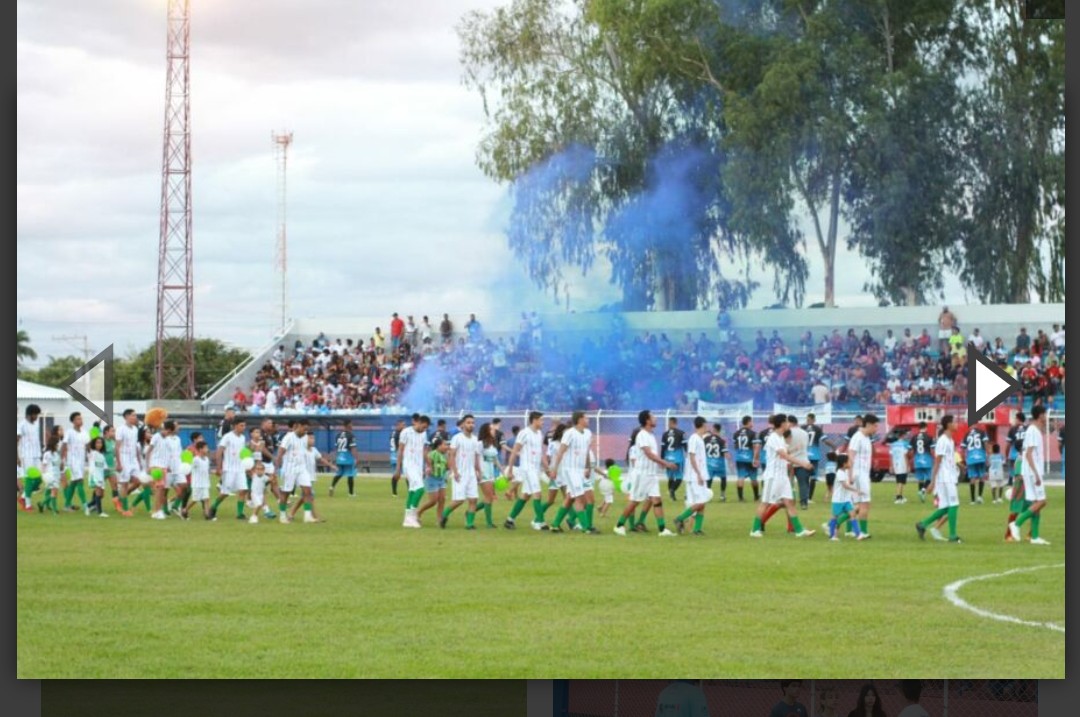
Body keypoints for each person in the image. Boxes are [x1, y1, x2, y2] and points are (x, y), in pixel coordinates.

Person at [750, 414, 816, 538]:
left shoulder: (780, 438)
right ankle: (754, 530)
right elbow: (784, 455)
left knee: (789, 502)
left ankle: (799, 530)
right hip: (773, 476)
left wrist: (796, 448)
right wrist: (803, 463)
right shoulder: (773, 437)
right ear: (782, 424)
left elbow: (786, 452)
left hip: (782, 477)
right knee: (765, 503)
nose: (788, 424)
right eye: (786, 422)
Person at [614, 410, 677, 537]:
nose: (655, 418)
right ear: (647, 420)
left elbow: (653, 455)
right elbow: (648, 454)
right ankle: (619, 525)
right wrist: (665, 463)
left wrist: (659, 463)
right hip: (642, 474)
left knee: (657, 500)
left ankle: (662, 530)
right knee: (635, 501)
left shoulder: (651, 435)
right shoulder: (642, 435)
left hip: (651, 474)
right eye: (653, 417)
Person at [916, 414, 963, 543]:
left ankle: (922, 524)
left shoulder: (950, 440)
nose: (957, 424)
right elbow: (937, 461)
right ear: (948, 424)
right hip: (945, 477)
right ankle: (953, 535)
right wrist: (932, 481)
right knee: (954, 504)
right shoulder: (943, 441)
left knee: (946, 507)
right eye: (954, 422)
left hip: (948, 476)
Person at [548, 411, 597, 534]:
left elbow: (586, 452)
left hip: (581, 471)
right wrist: (554, 470)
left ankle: (555, 524)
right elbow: (560, 452)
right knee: (580, 499)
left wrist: (587, 467)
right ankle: (586, 528)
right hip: (570, 471)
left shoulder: (588, 433)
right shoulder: (569, 433)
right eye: (586, 418)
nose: (588, 420)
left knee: (583, 498)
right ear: (579, 419)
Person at [1009, 404, 1051, 545]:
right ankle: (1017, 523)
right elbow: (1028, 454)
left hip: (1031, 471)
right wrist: (1036, 474)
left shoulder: (1035, 430)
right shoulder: (1033, 430)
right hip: (1033, 472)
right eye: (1045, 414)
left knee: (1036, 503)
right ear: (1040, 415)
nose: (1046, 417)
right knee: (1042, 501)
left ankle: (1035, 536)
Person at [504, 411, 550, 531]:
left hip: (535, 469)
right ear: (534, 420)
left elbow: (540, 453)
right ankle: (540, 522)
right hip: (527, 468)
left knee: (525, 495)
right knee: (537, 494)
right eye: (541, 420)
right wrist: (510, 469)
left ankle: (509, 520)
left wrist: (546, 468)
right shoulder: (524, 433)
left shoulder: (539, 433)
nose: (543, 422)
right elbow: (514, 451)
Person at [441, 415, 482, 529]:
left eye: (472, 423)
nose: (471, 425)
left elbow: (476, 457)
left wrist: (478, 471)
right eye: (468, 422)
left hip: (471, 474)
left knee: (473, 499)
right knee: (459, 500)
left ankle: (469, 524)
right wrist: (454, 471)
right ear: (463, 424)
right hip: (460, 473)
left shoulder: (475, 439)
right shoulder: (457, 438)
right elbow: (452, 455)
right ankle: (444, 515)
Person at [673, 416, 711, 536]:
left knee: (702, 502)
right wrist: (698, 474)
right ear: (703, 424)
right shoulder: (694, 438)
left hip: (700, 474)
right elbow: (691, 456)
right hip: (695, 476)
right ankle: (679, 518)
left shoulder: (700, 439)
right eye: (706, 424)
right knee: (700, 503)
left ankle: (697, 529)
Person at [210, 418, 249, 521]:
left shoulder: (243, 438)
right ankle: (213, 507)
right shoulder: (227, 437)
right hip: (229, 469)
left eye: (244, 425)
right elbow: (219, 452)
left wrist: (247, 464)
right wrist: (218, 467)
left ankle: (240, 513)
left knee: (243, 490)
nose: (243, 428)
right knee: (225, 493)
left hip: (240, 469)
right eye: (241, 425)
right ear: (235, 426)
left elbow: (242, 452)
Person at [396, 415, 431, 529]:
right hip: (408, 465)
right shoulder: (406, 432)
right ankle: (412, 516)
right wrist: (398, 469)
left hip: (418, 467)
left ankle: (407, 519)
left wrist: (428, 465)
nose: (424, 429)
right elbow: (400, 451)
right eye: (423, 427)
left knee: (412, 491)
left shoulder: (424, 434)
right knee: (420, 489)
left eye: (426, 428)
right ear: (418, 423)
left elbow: (424, 451)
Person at [848, 414, 879, 538]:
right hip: (859, 475)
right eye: (875, 426)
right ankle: (863, 532)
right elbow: (851, 455)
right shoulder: (857, 437)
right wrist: (850, 474)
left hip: (864, 474)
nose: (876, 429)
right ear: (869, 425)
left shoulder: (867, 438)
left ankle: (834, 524)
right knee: (864, 504)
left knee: (856, 506)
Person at [825, 452, 864, 540]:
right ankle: (832, 536)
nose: (850, 463)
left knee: (852, 514)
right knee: (834, 517)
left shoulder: (844, 472)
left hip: (846, 500)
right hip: (838, 500)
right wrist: (856, 491)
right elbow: (845, 486)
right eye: (849, 462)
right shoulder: (840, 473)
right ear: (844, 464)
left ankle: (858, 534)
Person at [114, 409, 142, 517]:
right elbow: (117, 447)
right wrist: (119, 463)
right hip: (124, 458)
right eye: (133, 415)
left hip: (133, 459)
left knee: (138, 482)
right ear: (126, 416)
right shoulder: (121, 429)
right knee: (124, 483)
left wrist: (138, 461)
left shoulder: (135, 429)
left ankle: (119, 499)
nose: (135, 417)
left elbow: (136, 446)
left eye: (135, 415)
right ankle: (125, 510)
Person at [61, 411, 89, 514]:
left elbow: (88, 446)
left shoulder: (85, 432)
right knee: (80, 480)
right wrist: (62, 460)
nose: (80, 420)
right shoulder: (69, 432)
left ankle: (67, 505)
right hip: (72, 460)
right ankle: (85, 505)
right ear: (73, 421)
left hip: (81, 461)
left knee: (74, 482)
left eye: (81, 418)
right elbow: (64, 446)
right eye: (78, 419)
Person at [476, 422, 502, 529]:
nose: (494, 430)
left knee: (490, 497)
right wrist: (478, 471)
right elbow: (476, 458)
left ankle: (471, 511)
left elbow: (495, 460)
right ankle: (489, 523)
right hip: (483, 472)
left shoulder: (493, 444)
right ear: (486, 431)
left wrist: (503, 471)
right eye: (491, 429)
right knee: (488, 497)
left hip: (491, 473)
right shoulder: (480, 444)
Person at [415, 437, 447, 526]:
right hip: (432, 479)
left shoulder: (445, 455)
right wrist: (427, 469)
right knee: (433, 501)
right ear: (438, 446)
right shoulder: (432, 454)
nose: (446, 446)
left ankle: (439, 519)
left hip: (441, 479)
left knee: (442, 499)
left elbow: (446, 466)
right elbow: (427, 463)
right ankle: (418, 512)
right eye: (444, 445)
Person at [732, 415, 760, 502]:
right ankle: (756, 496)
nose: (752, 423)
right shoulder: (753, 433)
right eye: (751, 421)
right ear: (748, 422)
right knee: (754, 478)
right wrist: (755, 458)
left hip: (739, 458)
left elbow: (735, 446)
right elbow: (756, 446)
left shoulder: (736, 433)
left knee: (740, 477)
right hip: (749, 458)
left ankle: (740, 498)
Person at [329, 419, 360, 498]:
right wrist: (356, 458)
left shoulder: (338, 435)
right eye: (351, 424)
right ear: (348, 425)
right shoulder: (351, 435)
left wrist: (335, 458)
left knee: (339, 473)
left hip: (340, 457)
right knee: (350, 474)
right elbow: (353, 448)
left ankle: (332, 486)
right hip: (347, 457)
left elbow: (336, 448)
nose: (352, 426)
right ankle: (351, 493)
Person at [787, 415, 811, 509]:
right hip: (803, 461)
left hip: (789, 460)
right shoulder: (805, 433)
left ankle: (788, 501)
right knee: (803, 483)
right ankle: (804, 503)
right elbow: (805, 446)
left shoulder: (787, 432)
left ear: (790, 422)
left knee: (788, 483)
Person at [662, 418, 687, 501]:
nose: (668, 424)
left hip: (668, 458)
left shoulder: (665, 434)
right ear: (676, 423)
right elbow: (685, 446)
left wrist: (662, 460)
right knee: (679, 477)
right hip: (678, 458)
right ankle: (672, 490)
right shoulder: (681, 433)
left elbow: (663, 448)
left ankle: (671, 496)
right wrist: (688, 454)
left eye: (669, 423)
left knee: (671, 477)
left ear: (671, 423)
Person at [188, 440, 214, 520]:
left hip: (205, 483)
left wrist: (212, 472)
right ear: (200, 449)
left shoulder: (206, 459)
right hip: (197, 483)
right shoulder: (196, 459)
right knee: (195, 500)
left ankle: (207, 515)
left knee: (206, 499)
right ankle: (185, 510)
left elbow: (206, 470)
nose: (207, 449)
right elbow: (190, 469)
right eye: (205, 448)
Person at [85, 435, 109, 517]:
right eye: (97, 443)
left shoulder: (102, 455)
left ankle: (88, 506)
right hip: (94, 476)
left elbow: (105, 467)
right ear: (94, 444)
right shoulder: (93, 453)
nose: (99, 444)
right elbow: (88, 447)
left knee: (101, 495)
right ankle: (100, 512)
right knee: (98, 493)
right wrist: (92, 439)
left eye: (101, 443)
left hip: (100, 477)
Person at [703, 423, 729, 501]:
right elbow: (726, 454)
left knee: (709, 479)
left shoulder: (706, 439)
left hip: (709, 463)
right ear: (719, 430)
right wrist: (728, 457)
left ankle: (707, 495)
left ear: (713, 429)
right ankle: (722, 495)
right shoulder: (722, 440)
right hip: (719, 463)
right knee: (723, 478)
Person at [39, 433, 62, 514]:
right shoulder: (47, 454)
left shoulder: (57, 454)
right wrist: (43, 475)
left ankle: (42, 504)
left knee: (53, 492)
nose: (58, 445)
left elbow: (59, 465)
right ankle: (54, 510)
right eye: (57, 444)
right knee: (54, 491)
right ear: (53, 444)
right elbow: (44, 465)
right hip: (50, 475)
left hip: (56, 475)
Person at [804, 413, 824, 502]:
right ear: (814, 420)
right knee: (813, 476)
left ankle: (804, 497)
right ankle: (809, 498)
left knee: (804, 476)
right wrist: (833, 446)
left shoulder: (802, 428)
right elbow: (824, 439)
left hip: (804, 455)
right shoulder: (818, 429)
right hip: (814, 455)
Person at [911, 422, 934, 501]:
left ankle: (921, 495)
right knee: (930, 477)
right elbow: (932, 449)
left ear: (919, 428)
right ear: (926, 427)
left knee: (920, 479)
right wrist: (934, 458)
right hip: (926, 459)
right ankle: (923, 490)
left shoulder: (914, 437)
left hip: (917, 459)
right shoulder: (929, 437)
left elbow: (910, 449)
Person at [890, 432, 912, 504]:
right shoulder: (905, 444)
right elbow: (905, 455)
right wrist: (908, 465)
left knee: (899, 481)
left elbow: (891, 456)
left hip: (895, 464)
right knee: (901, 481)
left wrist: (891, 466)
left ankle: (901, 496)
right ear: (903, 435)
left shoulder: (893, 444)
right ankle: (898, 498)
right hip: (902, 464)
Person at [389, 419, 405, 496]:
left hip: (393, 455)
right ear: (398, 425)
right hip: (398, 455)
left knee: (396, 474)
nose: (404, 426)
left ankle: (394, 492)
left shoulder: (392, 433)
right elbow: (399, 447)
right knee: (407, 474)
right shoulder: (399, 434)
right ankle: (410, 490)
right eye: (403, 425)